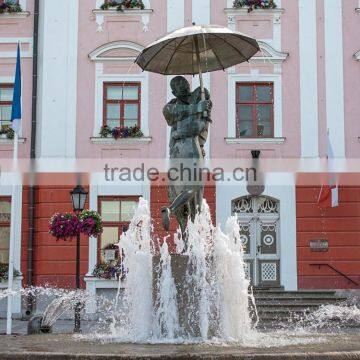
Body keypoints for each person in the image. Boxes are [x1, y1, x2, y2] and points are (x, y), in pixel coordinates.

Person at [161, 76, 212, 241]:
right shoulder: (176, 106)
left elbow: (200, 127)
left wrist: (202, 107)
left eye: (184, 85)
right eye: (180, 86)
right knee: (194, 191)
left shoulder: (197, 101)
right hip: (190, 151)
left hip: (177, 153)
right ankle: (170, 209)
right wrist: (197, 108)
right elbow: (198, 127)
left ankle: (186, 242)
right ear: (174, 91)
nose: (184, 88)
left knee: (184, 195)